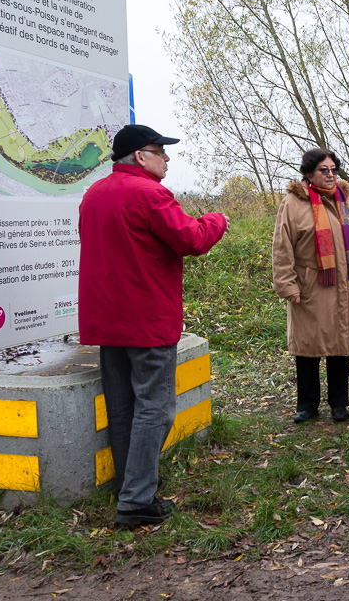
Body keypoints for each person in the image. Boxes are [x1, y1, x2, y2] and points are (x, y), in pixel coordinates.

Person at [79, 124, 229, 526]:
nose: (167, 158)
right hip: (146, 318)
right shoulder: (150, 193)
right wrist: (217, 219)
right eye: (160, 151)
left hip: (107, 321)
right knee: (155, 409)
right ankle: (136, 501)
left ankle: (130, 489)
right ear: (140, 157)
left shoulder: (93, 195)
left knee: (123, 408)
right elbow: (192, 239)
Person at [272, 149, 349, 424]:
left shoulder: (347, 199)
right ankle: (307, 405)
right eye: (324, 170)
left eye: (334, 169)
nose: (330, 175)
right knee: (308, 347)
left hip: (345, 283)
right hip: (310, 286)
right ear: (308, 174)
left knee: (340, 345)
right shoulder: (292, 203)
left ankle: (340, 403)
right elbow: (282, 248)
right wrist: (287, 285)